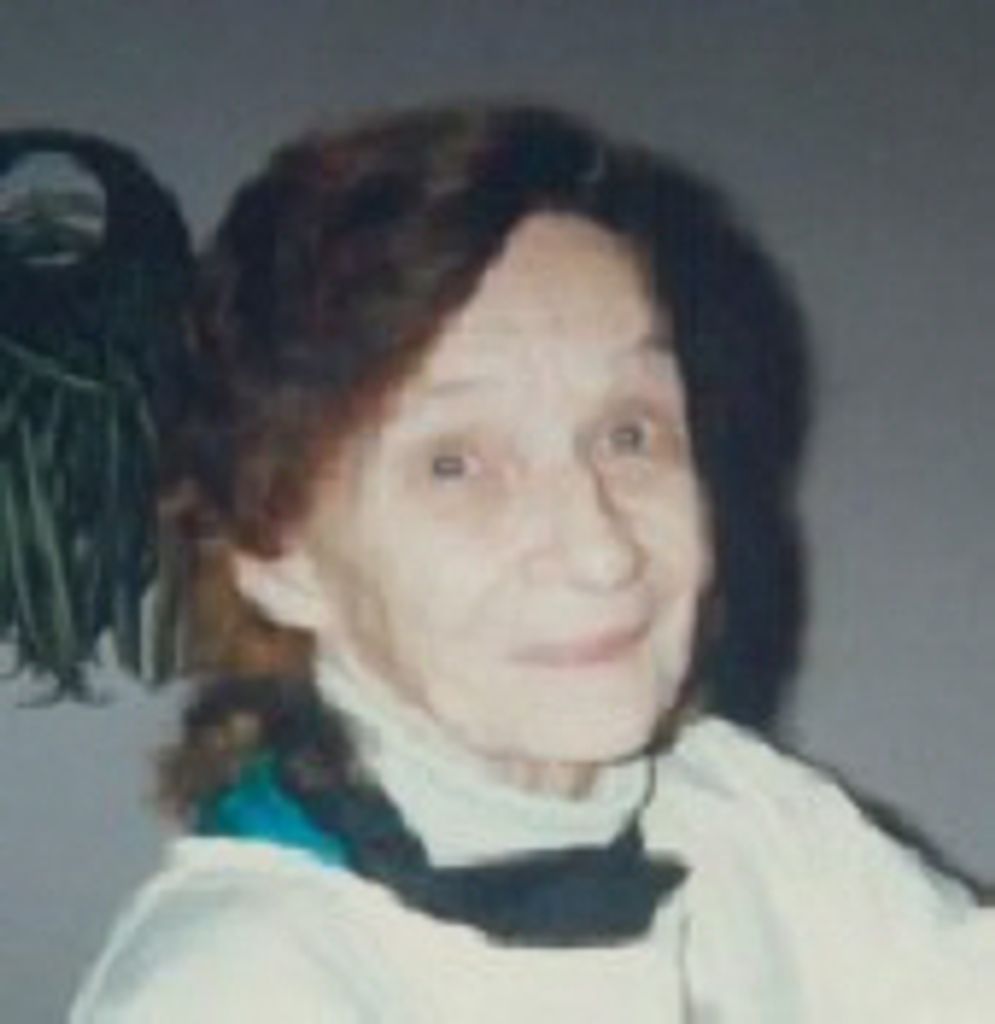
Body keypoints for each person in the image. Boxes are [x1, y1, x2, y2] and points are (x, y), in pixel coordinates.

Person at [71, 103, 991, 1022]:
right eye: (455, 464)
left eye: (628, 433)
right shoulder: (233, 990)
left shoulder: (737, 810)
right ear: (280, 557)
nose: (600, 550)